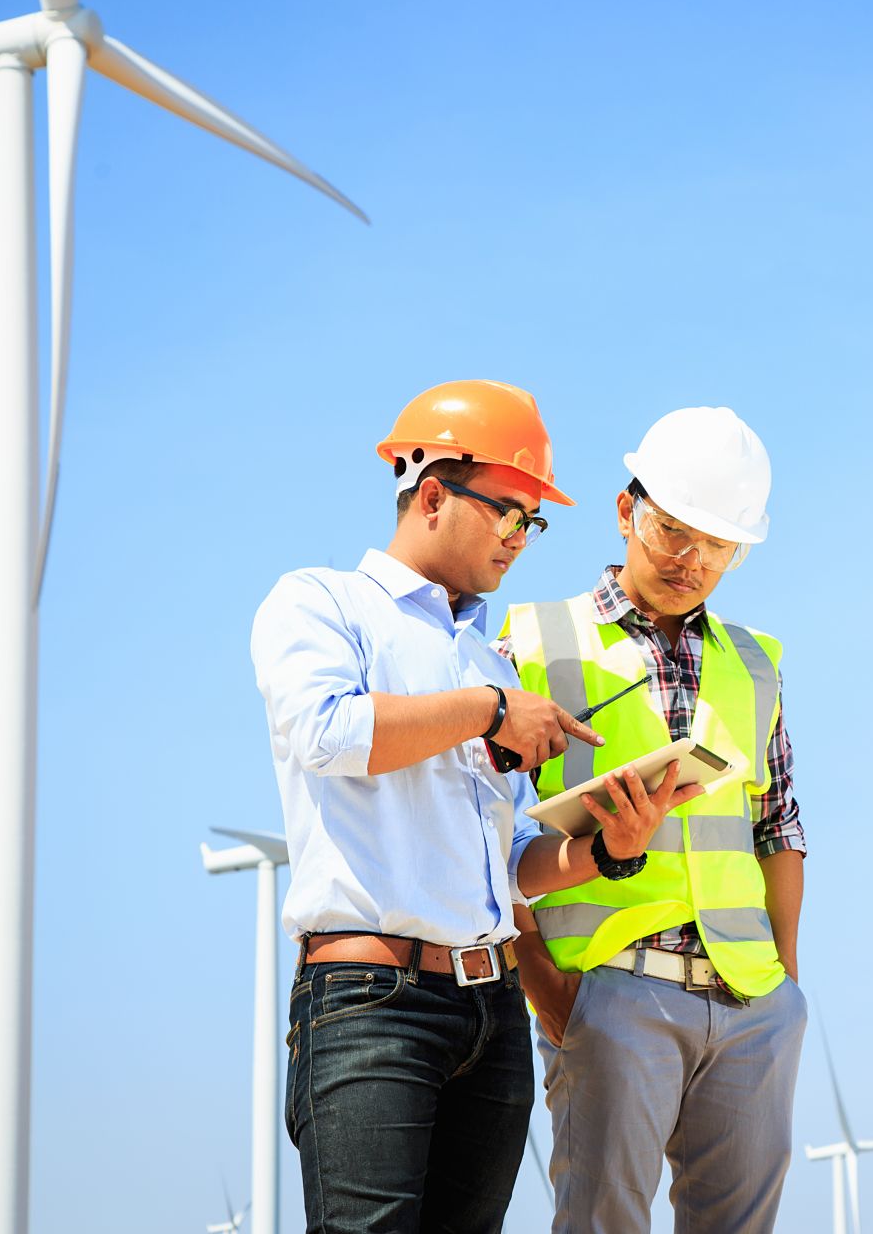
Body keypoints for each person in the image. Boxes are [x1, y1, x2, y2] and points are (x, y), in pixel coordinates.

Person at [250, 380, 702, 1234]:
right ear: (431, 494)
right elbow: (327, 730)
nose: (520, 539)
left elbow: (511, 866)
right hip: (369, 1003)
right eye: (508, 513)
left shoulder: (490, 659)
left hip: (489, 1017)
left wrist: (607, 849)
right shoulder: (321, 603)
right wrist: (491, 713)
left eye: (533, 523)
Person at [500, 406, 808, 1234]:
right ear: (626, 509)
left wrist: (784, 981)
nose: (692, 560)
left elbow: (779, 827)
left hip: (750, 1003)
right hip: (608, 992)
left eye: (717, 544)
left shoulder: (755, 665)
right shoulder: (534, 640)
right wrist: (547, 987)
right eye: (674, 530)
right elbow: (482, 836)